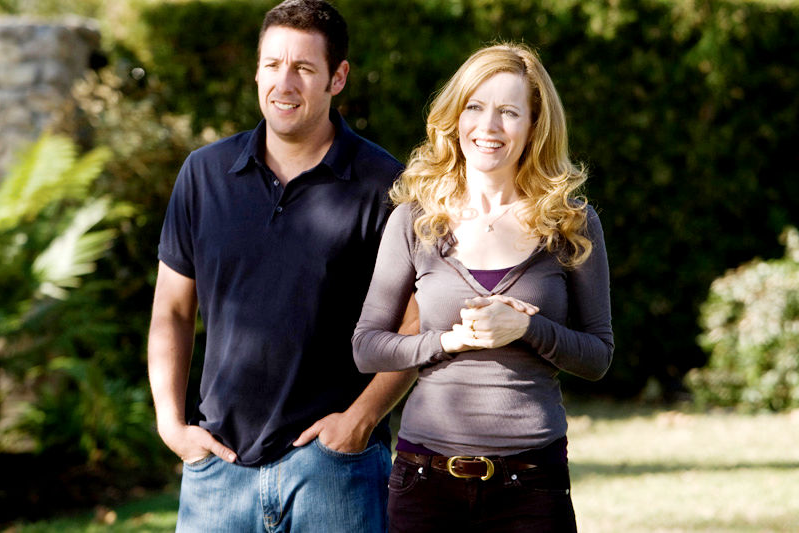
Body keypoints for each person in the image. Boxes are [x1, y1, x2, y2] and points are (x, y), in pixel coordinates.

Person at [147, 1, 416, 531]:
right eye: (272, 64)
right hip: (216, 473)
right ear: (256, 71)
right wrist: (171, 426)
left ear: (338, 77)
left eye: (304, 68)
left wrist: (360, 421)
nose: (284, 83)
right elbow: (172, 311)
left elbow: (417, 318)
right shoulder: (204, 175)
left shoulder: (385, 185)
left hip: (334, 472)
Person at [352, 43, 614, 532]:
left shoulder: (571, 224)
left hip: (531, 486)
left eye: (509, 112)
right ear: (455, 117)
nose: (488, 126)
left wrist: (527, 329)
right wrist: (448, 340)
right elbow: (366, 348)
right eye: (475, 106)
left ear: (534, 126)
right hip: (424, 483)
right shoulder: (415, 220)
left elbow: (598, 356)